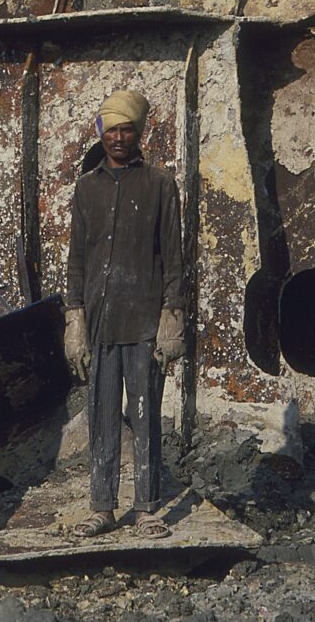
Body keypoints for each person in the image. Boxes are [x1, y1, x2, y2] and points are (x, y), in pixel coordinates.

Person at [64, 90, 186, 540]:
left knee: (145, 414)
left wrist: (172, 316)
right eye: (111, 129)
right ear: (102, 132)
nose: (118, 137)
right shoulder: (86, 187)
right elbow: (77, 257)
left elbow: (173, 256)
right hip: (99, 322)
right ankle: (102, 507)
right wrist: (73, 318)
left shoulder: (159, 185)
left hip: (144, 321)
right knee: (101, 417)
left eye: (127, 129)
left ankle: (147, 509)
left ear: (139, 132)